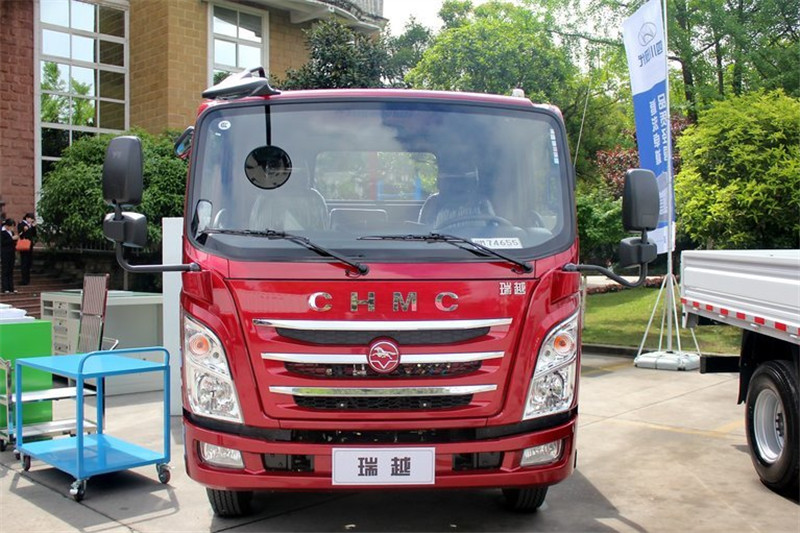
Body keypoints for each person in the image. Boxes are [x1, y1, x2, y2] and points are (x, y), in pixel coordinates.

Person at [17, 213, 37, 285]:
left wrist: (33, 227)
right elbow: (21, 234)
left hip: (30, 245)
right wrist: (26, 229)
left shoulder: (30, 225)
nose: (32, 220)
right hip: (24, 245)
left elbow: (34, 234)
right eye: (31, 219)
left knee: (28, 262)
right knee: (24, 262)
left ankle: (27, 279)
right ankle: (24, 279)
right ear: (27, 218)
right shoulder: (22, 224)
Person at [1, 218, 19, 294]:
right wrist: (12, 239)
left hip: (11, 252)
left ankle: (11, 288)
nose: (12, 228)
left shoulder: (11, 232)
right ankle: (5, 288)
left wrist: (16, 239)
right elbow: (3, 242)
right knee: (5, 270)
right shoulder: (2, 232)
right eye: (11, 226)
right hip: (5, 253)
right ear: (7, 226)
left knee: (10, 271)